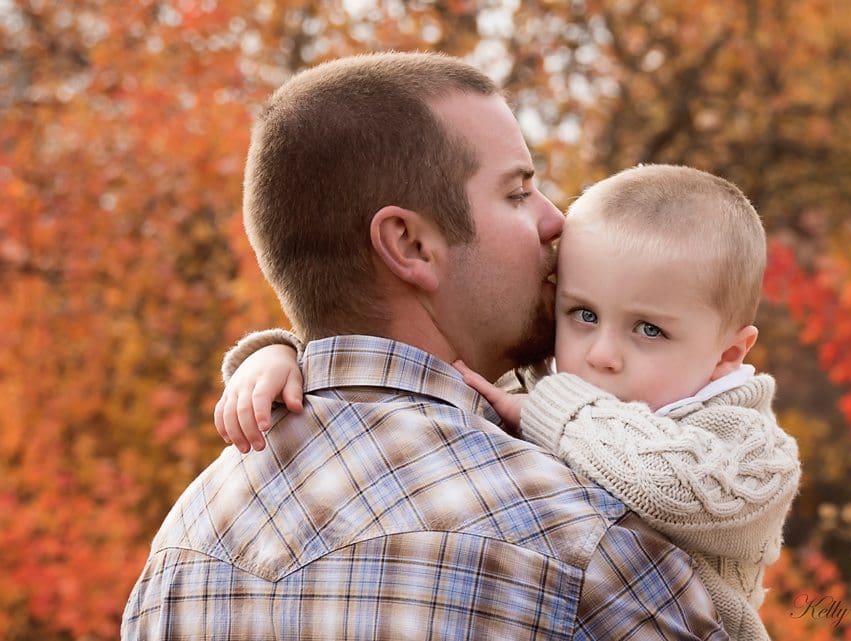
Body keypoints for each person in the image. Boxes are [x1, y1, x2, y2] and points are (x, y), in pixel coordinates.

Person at [121, 53, 728, 640]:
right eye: (517, 194)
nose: (555, 221)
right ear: (409, 245)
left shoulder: (176, 558)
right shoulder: (580, 540)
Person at [219, 165, 801, 640]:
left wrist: (555, 411)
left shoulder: (741, 440)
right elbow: (388, 352)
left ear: (728, 354)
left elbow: (674, 489)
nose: (602, 354)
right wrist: (283, 354)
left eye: (649, 330)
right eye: (584, 314)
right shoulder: (559, 383)